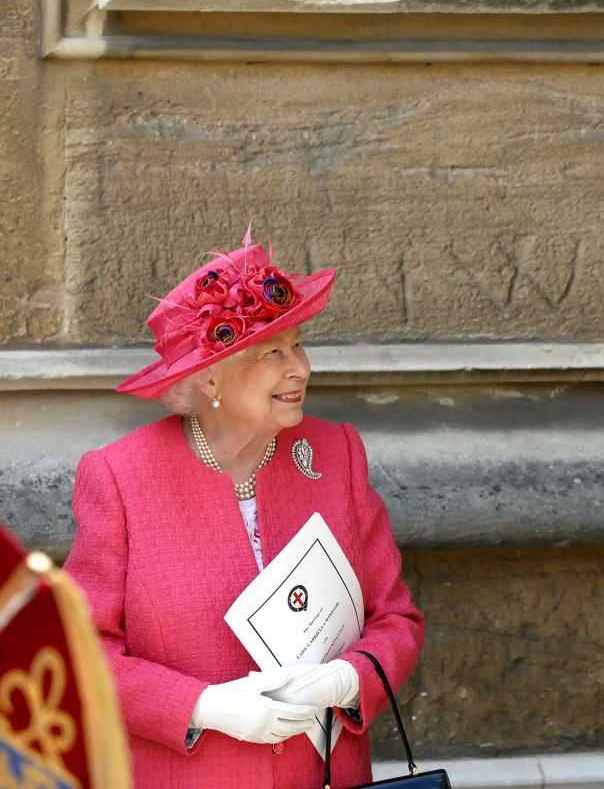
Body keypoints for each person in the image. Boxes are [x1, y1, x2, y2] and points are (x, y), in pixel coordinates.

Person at [64, 224, 425, 789]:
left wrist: (347, 679)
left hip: (327, 777)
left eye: (300, 344)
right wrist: (203, 705)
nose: (300, 368)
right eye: (272, 353)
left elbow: (396, 619)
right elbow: (80, 654)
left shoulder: (337, 454)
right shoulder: (120, 478)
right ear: (209, 376)